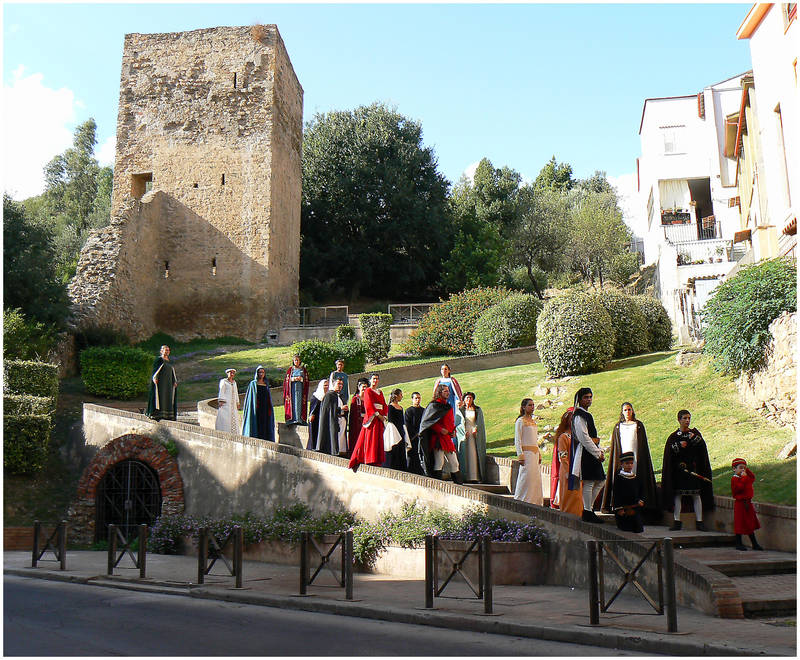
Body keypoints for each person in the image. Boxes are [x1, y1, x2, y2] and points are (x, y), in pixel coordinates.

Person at [601, 402, 659, 522]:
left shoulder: (638, 425)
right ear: (622, 412)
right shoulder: (618, 427)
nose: (627, 412)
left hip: (636, 455)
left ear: (632, 411)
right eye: (625, 410)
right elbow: (616, 445)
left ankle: (640, 506)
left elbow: (642, 444)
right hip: (623, 456)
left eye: (629, 410)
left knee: (637, 478)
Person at [662, 409, 714, 531]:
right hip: (679, 472)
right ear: (679, 420)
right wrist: (679, 446)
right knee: (678, 496)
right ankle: (677, 521)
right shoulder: (674, 436)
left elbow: (702, 450)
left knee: (696, 495)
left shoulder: (694, 434)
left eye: (689, 418)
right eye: (684, 418)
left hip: (693, 470)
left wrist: (696, 439)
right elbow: (669, 453)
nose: (687, 421)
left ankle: (700, 521)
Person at [569, 387, 605, 523]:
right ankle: (588, 511)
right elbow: (584, 437)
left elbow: (592, 437)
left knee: (601, 480)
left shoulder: (586, 415)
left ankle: (588, 508)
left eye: (590, 397)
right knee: (589, 482)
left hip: (591, 451)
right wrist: (597, 452)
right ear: (579, 399)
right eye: (586, 397)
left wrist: (599, 449)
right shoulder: (579, 416)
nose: (589, 399)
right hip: (586, 453)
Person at [417, 384, 463, 483]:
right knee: (439, 462)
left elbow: (451, 422)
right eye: (445, 391)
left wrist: (452, 431)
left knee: (455, 463)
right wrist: (440, 429)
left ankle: (459, 485)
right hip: (438, 439)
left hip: (447, 438)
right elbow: (428, 422)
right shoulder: (434, 405)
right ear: (440, 392)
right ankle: (437, 484)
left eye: (448, 391)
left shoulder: (448, 406)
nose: (448, 393)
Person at [349, 374, 387, 471]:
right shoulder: (368, 391)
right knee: (371, 437)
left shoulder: (380, 392)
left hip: (379, 419)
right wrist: (378, 415)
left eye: (377, 379)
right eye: (374, 379)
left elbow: (384, 404)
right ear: (370, 380)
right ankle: (370, 458)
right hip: (373, 418)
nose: (375, 381)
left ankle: (377, 459)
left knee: (378, 438)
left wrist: (384, 415)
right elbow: (369, 404)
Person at [550, 407, 583, 517]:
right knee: (569, 495)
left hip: (578, 469)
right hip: (568, 470)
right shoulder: (563, 437)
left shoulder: (578, 436)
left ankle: (578, 513)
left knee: (578, 495)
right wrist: (568, 470)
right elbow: (563, 456)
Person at [513, 398, 543, 505]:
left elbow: (535, 439)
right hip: (526, 454)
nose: (532, 407)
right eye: (530, 405)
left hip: (534, 454)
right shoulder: (520, 421)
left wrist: (539, 453)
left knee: (535, 478)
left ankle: (535, 501)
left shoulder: (533, 422)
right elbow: (518, 439)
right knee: (526, 477)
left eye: (533, 405)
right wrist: (520, 454)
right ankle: (521, 499)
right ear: (523, 407)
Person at [731, 458, 763, 551]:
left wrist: (747, 470)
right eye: (740, 468)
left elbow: (752, 478)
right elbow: (739, 488)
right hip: (740, 503)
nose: (742, 470)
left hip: (748, 503)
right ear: (734, 469)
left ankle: (754, 543)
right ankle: (738, 543)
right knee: (740, 523)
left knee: (749, 522)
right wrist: (744, 477)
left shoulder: (745, 477)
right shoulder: (735, 479)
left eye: (744, 468)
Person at [456, 392, 487, 483]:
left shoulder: (477, 410)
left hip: (474, 434)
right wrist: (462, 432)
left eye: (470, 398)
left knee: (474, 454)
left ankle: (475, 476)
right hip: (465, 434)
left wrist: (476, 429)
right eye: (467, 398)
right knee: (465, 454)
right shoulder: (460, 410)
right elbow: (457, 423)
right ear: (464, 399)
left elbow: (480, 422)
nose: (468, 400)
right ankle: (465, 476)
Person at [612, 451, 645, 533]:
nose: (629, 465)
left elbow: (641, 490)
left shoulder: (636, 478)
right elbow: (616, 494)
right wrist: (619, 508)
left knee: (639, 528)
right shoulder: (619, 478)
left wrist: (641, 500)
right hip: (624, 509)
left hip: (634, 507)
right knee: (627, 527)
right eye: (627, 463)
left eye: (631, 463)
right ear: (622, 464)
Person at [242, 365, 275, 442]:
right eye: (260, 372)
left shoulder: (266, 384)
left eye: (263, 372)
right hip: (256, 407)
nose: (261, 374)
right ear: (257, 373)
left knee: (265, 423)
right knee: (256, 422)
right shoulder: (253, 384)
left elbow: (268, 397)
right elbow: (251, 398)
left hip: (265, 407)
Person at [316, 378, 349, 456]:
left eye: (341, 384)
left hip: (341, 420)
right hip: (333, 421)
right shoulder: (329, 395)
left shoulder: (340, 396)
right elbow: (328, 410)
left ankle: (340, 452)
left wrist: (345, 410)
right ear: (333, 385)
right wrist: (341, 408)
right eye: (338, 384)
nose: (340, 386)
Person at [146, 345, 178, 421]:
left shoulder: (170, 361)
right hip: (161, 383)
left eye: (168, 350)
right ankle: (157, 414)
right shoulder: (159, 360)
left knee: (168, 397)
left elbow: (172, 372)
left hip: (168, 383)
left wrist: (174, 381)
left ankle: (168, 415)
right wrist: (155, 378)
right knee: (160, 397)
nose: (167, 351)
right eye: (165, 350)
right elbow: (155, 371)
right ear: (161, 351)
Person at [383, 389, 408, 471]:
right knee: (394, 450)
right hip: (393, 432)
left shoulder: (401, 408)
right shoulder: (390, 407)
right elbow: (390, 421)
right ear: (396, 396)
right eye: (401, 394)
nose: (402, 396)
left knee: (401, 450)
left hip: (401, 430)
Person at [283, 355, 309, 425]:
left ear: (300, 361)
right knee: (293, 402)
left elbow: (306, 380)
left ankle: (299, 419)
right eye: (295, 360)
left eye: (298, 360)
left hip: (300, 388)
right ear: (293, 361)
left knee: (299, 402)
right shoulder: (290, 370)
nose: (296, 362)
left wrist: (301, 379)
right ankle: (292, 419)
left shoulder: (303, 370)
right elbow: (286, 380)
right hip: (292, 389)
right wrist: (293, 379)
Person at [347, 377, 369, 457]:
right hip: (357, 423)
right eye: (363, 387)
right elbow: (353, 414)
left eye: (366, 387)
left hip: (366, 422)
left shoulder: (368, 399)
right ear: (359, 387)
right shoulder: (355, 399)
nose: (364, 388)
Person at [404, 392, 426, 475]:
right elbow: (407, 425)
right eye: (416, 398)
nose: (418, 400)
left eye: (419, 398)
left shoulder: (423, 411)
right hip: (412, 438)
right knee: (412, 456)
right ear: (412, 399)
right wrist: (415, 434)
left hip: (422, 437)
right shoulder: (409, 411)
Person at [215, 368, 241, 433]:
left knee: (234, 417)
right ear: (227, 373)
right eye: (230, 373)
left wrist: (237, 402)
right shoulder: (223, 381)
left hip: (233, 404)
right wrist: (221, 400)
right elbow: (221, 391)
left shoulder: (234, 383)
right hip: (226, 403)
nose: (232, 374)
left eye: (233, 373)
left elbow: (236, 392)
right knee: (225, 418)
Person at [308, 379, 328, 450]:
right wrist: (312, 414)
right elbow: (313, 407)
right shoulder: (316, 396)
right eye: (325, 385)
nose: (326, 387)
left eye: (327, 385)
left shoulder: (328, 395)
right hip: (316, 417)